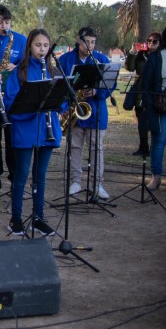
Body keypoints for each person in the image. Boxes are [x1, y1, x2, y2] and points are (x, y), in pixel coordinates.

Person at [4, 29, 62, 236]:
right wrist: (33, 106)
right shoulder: (20, 72)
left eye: (46, 46)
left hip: (47, 131)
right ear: (30, 47)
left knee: (40, 177)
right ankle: (16, 219)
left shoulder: (54, 71)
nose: (43, 50)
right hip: (26, 130)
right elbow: (10, 103)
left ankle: (38, 217)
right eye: (38, 45)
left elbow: (62, 102)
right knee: (21, 176)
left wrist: (58, 102)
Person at [58, 26, 112, 200]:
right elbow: (59, 87)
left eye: (93, 42)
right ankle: (76, 182)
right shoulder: (66, 59)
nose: (90, 46)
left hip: (96, 113)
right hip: (75, 113)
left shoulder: (101, 59)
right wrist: (66, 108)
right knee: (74, 148)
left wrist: (97, 92)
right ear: (78, 40)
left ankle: (97, 184)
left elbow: (110, 85)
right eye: (87, 42)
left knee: (97, 149)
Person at [0, 5, 26, 194]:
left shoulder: (20, 40)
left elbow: (27, 64)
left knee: (12, 139)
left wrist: (15, 66)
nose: (4, 26)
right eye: (0, 22)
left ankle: (14, 176)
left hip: (12, 98)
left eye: (7, 22)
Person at [142, 24, 166, 194]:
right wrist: (150, 106)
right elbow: (145, 84)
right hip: (160, 104)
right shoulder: (156, 57)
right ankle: (156, 176)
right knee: (159, 140)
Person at [126, 32, 160, 157]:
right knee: (141, 121)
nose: (151, 43)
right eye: (149, 41)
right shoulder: (141, 55)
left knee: (155, 122)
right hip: (141, 92)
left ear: (160, 43)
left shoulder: (160, 56)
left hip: (155, 92)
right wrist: (133, 52)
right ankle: (143, 147)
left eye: (154, 41)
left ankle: (156, 148)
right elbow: (129, 67)